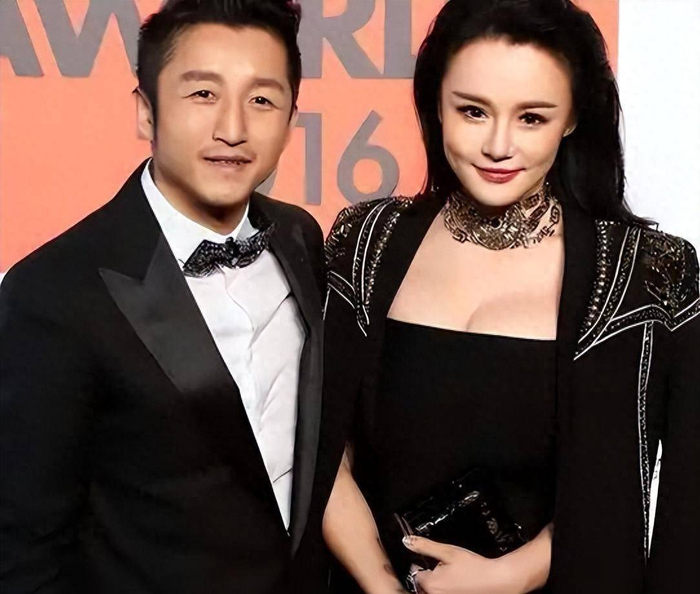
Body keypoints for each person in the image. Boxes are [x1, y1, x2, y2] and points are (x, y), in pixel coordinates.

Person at [320, 0, 700, 592]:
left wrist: (508, 577)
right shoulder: (366, 242)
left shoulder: (644, 275)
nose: (499, 145)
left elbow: (637, 492)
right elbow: (317, 451)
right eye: (473, 111)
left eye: (532, 118)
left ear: (572, 118)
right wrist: (384, 583)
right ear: (436, 105)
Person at [0, 1, 329, 592]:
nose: (233, 128)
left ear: (290, 120)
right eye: (203, 94)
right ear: (145, 112)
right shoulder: (52, 292)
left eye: (261, 100)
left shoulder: (300, 238)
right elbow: (24, 550)